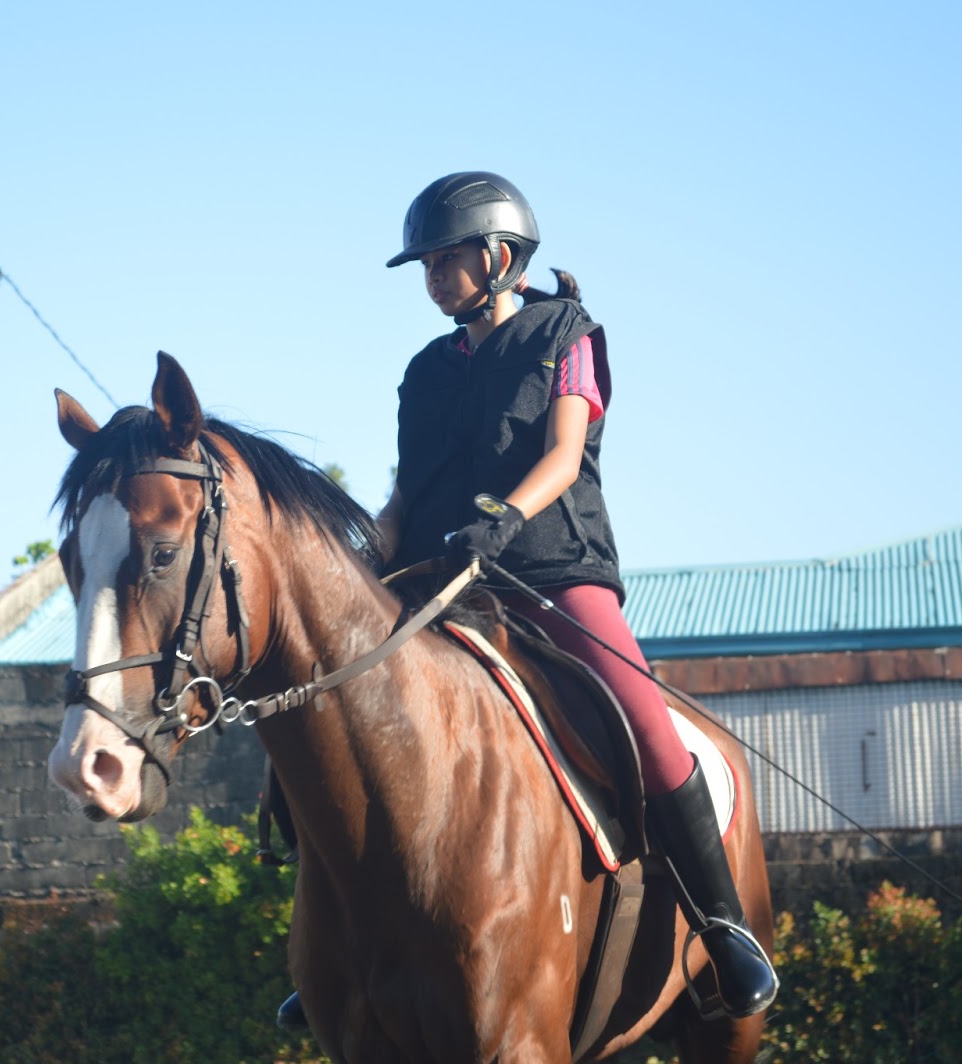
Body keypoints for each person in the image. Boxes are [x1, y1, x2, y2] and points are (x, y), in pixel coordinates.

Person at [277, 171, 777, 1031]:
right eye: (425, 264)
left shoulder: (565, 332)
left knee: (648, 726)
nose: (433, 277)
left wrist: (503, 521)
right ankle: (339, 951)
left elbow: (563, 450)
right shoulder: (424, 372)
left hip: (549, 569)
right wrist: (362, 556)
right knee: (325, 715)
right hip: (439, 580)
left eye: (446, 259)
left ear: (500, 256)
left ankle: (725, 925)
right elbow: (406, 494)